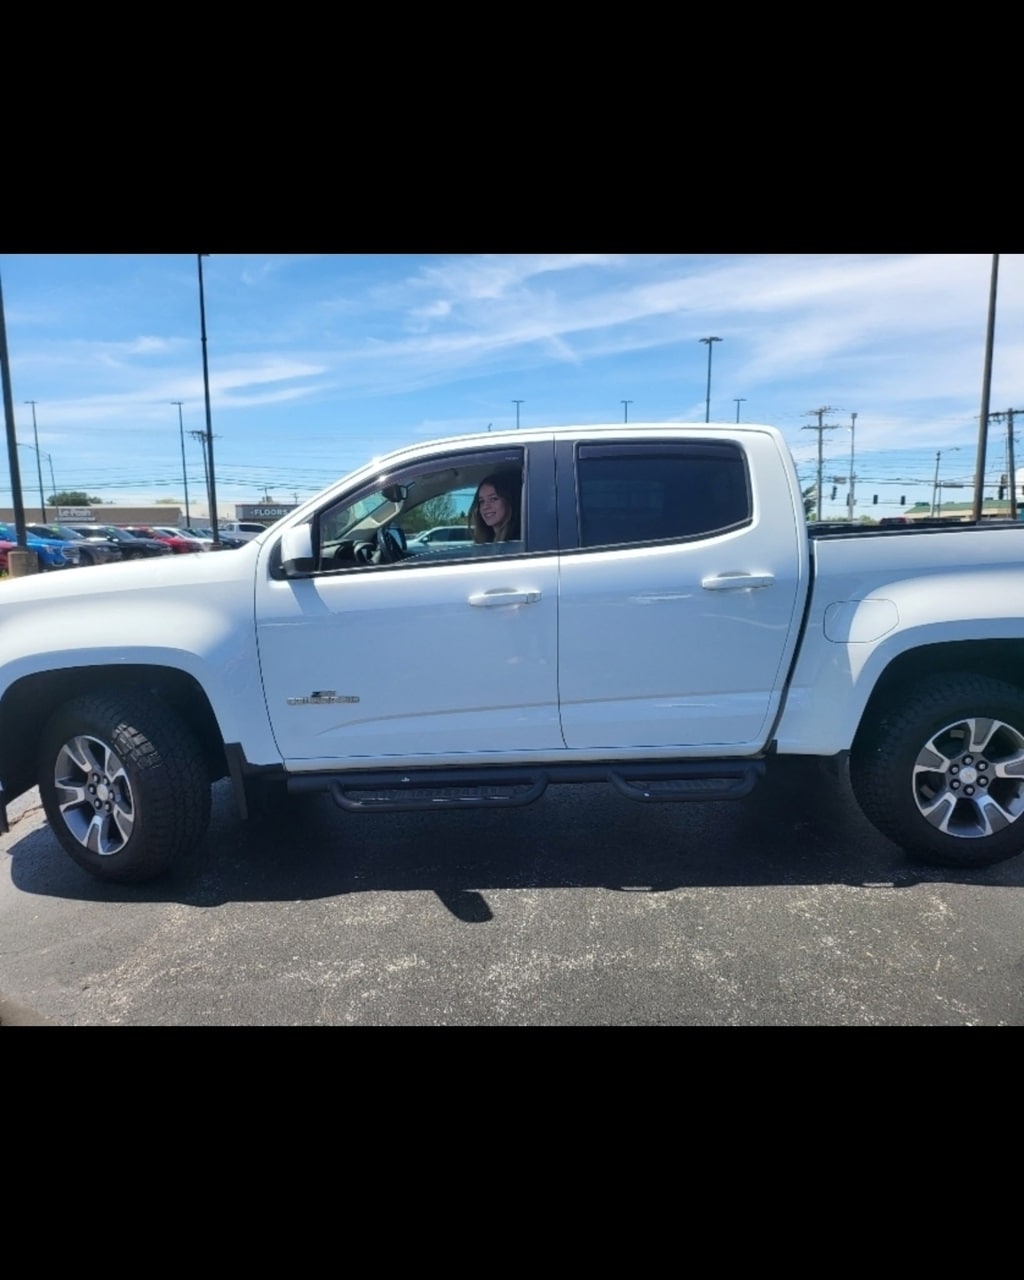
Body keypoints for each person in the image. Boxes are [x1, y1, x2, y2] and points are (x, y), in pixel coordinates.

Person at [470, 471, 521, 543]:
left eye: (494, 499)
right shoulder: (487, 542)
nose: (485, 506)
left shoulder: (517, 542)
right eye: (482, 501)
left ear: (508, 501)